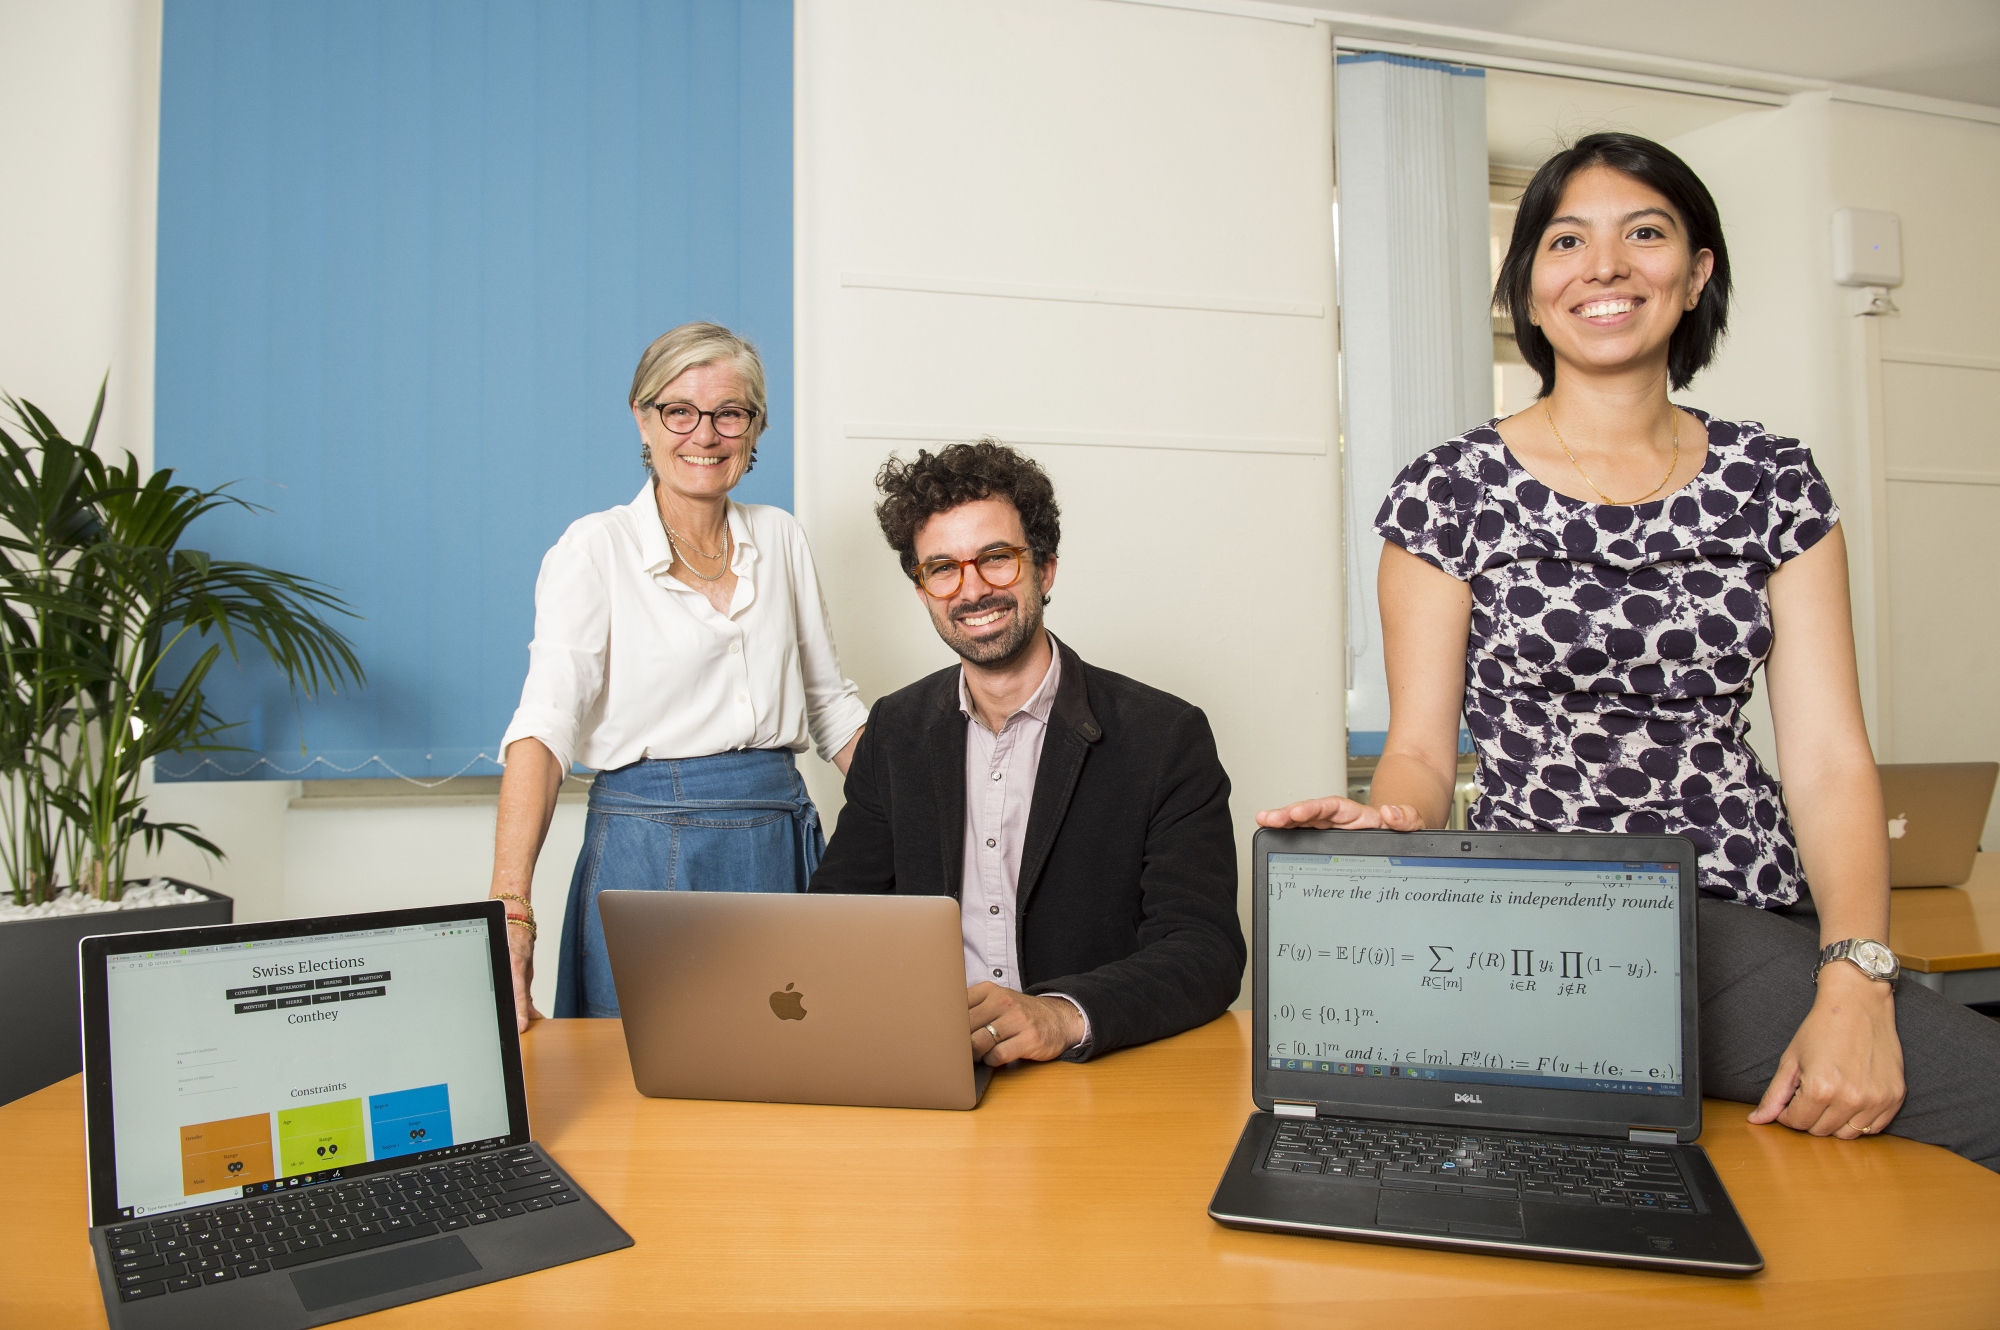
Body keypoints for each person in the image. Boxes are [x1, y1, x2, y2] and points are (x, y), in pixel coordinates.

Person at [1261, 133, 2000, 1170]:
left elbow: (1830, 760)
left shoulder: (1772, 480)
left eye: (1642, 234)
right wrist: (1388, 825)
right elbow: (1423, 753)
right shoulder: (1447, 489)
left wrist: (1853, 979)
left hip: (1733, 911)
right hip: (1541, 922)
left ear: (1694, 274)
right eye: (1564, 240)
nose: (1602, 266)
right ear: (1527, 283)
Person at [809, 441, 1245, 1064]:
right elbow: (837, 917)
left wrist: (1062, 1015)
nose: (972, 589)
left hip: (1095, 1077)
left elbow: (1205, 950)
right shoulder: (895, 730)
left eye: (996, 559)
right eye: (943, 568)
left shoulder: (1165, 736)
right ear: (923, 590)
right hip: (933, 1066)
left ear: (1045, 568)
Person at [488, 322, 868, 1028]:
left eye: (730, 413)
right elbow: (543, 729)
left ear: (755, 429)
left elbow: (833, 710)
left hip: (777, 843)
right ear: (643, 416)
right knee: (645, 1089)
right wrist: (511, 911)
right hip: (647, 853)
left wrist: (946, 818)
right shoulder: (593, 548)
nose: (705, 434)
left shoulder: (781, 536)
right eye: (679, 411)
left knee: (793, 1067)